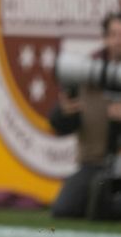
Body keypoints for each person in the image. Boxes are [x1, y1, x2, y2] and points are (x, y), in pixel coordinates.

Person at [50, 12, 121, 220]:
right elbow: (59, 125)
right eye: (114, 34)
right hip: (94, 166)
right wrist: (64, 113)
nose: (119, 41)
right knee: (64, 209)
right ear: (105, 38)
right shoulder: (86, 72)